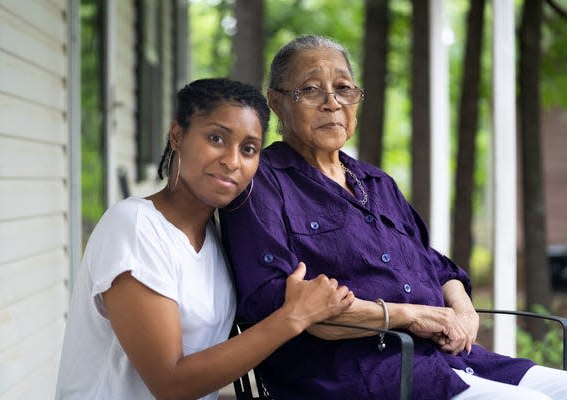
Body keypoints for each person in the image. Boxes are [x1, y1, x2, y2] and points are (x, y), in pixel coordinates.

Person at [219, 35, 567, 399]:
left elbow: (438, 267)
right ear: (276, 102)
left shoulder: (376, 182)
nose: (332, 103)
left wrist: (462, 311)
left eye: (343, 88)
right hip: (357, 375)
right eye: (310, 89)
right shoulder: (261, 183)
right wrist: (407, 315)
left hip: (452, 361)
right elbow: (271, 299)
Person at [55, 77, 354, 400]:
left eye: (249, 149)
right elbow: (170, 384)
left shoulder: (218, 242)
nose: (232, 160)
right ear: (177, 136)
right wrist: (293, 317)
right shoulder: (136, 226)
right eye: (216, 138)